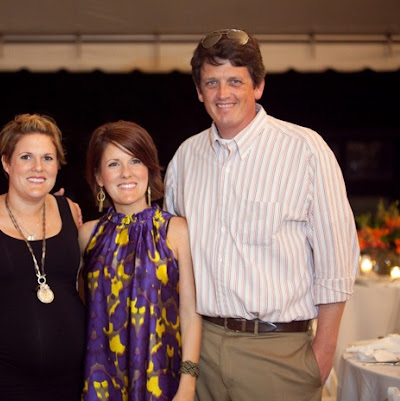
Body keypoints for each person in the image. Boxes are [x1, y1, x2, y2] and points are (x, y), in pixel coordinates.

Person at [164, 29, 360, 400]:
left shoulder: (305, 150)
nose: (223, 93)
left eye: (235, 81)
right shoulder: (185, 158)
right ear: (199, 91)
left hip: (278, 354)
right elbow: (169, 252)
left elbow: (337, 260)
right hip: (202, 352)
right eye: (212, 82)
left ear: (258, 86)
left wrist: (322, 354)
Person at [79, 120, 202, 401]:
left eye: (135, 160)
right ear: (99, 176)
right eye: (113, 164)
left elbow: (190, 313)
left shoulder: (176, 230)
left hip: (162, 379)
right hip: (101, 382)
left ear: (149, 167)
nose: (126, 172)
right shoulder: (87, 235)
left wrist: (188, 384)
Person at [0, 113, 85, 400]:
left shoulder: (70, 211)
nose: (38, 167)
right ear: (6, 162)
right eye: (26, 157)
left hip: (74, 375)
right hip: (7, 376)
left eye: (47, 158)